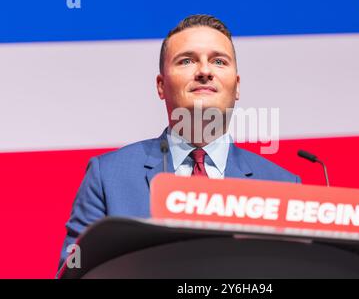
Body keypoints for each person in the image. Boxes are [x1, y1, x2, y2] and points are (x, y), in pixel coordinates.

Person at [57, 14, 300, 274]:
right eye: (187, 60)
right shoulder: (107, 177)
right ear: (161, 85)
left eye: (218, 61)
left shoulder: (283, 187)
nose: (205, 71)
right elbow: (74, 271)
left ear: (237, 86)